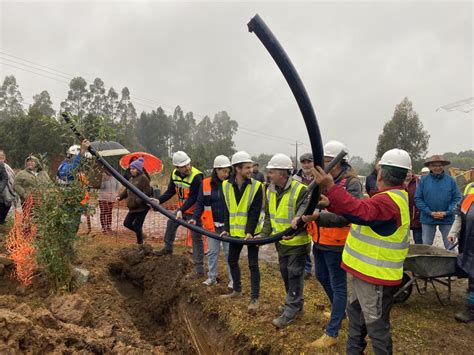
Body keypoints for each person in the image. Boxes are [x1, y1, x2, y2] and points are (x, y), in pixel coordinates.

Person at [312, 148, 412, 355]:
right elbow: (359, 212)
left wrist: (330, 187)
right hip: (365, 275)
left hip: (375, 278)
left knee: (377, 329)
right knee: (356, 319)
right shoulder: (389, 198)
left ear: (381, 174)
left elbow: (361, 212)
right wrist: (331, 204)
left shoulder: (387, 202)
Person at [304, 140, 363, 349]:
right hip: (319, 239)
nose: (321, 165)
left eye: (326, 161)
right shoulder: (321, 181)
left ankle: (332, 332)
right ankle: (340, 311)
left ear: (337, 162)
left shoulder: (351, 183)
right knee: (321, 276)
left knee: (339, 286)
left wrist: (317, 217)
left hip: (337, 241)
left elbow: (348, 216)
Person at [258, 154, 309, 328]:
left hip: (297, 243)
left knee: (294, 274)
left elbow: (306, 216)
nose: (268, 175)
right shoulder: (270, 189)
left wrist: (297, 228)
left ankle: (291, 310)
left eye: (271, 172)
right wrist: (263, 236)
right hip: (281, 243)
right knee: (286, 274)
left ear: (282, 173)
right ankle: (295, 303)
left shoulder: (301, 190)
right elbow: (269, 218)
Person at [220, 151, 263, 313]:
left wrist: (250, 232)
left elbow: (255, 211)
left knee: (253, 265)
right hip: (234, 233)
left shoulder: (257, 186)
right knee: (232, 261)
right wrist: (226, 228)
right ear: (237, 169)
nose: (250, 170)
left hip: (251, 234)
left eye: (251, 167)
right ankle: (237, 290)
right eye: (247, 168)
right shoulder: (225, 185)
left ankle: (254, 298)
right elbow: (227, 209)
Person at [154, 151, 205, 278]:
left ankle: (199, 269)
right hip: (182, 210)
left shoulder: (197, 176)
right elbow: (171, 191)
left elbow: (193, 197)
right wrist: (159, 200)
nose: (187, 167)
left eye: (188, 164)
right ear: (177, 167)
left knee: (196, 238)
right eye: (184, 166)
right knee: (171, 223)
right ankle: (167, 249)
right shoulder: (174, 174)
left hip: (194, 213)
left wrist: (181, 210)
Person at [190, 155, 233, 287]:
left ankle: (233, 280)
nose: (226, 174)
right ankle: (212, 277)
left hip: (227, 226)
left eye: (228, 171)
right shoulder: (206, 183)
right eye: (223, 171)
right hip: (212, 226)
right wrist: (194, 217)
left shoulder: (231, 184)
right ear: (216, 170)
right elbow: (200, 203)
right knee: (212, 253)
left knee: (229, 253)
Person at [414, 155, 461, 249]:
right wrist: (430, 212)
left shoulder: (451, 181)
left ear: (443, 166)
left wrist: (447, 212)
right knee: (426, 246)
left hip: (447, 218)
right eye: (434, 165)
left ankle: (451, 263)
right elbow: (418, 198)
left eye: (440, 165)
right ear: (430, 167)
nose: (437, 167)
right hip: (427, 218)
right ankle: (426, 263)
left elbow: (457, 198)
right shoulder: (423, 181)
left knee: (450, 246)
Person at [448, 182, 474, 323]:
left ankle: (471, 307)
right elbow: (460, 214)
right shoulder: (471, 188)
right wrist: (453, 231)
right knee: (472, 272)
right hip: (469, 241)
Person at [116, 158, 152, 244]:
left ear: (138, 169)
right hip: (133, 207)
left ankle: (140, 243)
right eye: (131, 168)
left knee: (137, 226)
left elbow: (148, 192)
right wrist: (120, 197)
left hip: (142, 208)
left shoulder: (144, 178)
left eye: (133, 168)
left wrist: (138, 201)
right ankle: (142, 235)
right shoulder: (131, 179)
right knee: (127, 223)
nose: (131, 170)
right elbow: (127, 190)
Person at [293, 152, 315, 279]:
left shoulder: (320, 177)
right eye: (304, 162)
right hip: (300, 212)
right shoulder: (295, 178)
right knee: (302, 237)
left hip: (316, 212)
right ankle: (306, 268)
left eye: (309, 162)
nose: (306, 165)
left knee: (315, 241)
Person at [0, 150, 20, 225]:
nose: (1, 157)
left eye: (2, 155)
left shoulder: (7, 167)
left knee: (6, 206)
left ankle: (2, 221)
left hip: (9, 192)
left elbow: (12, 178)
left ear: (4, 157)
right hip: (2, 192)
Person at [405, 170, 422, 244]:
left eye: (408, 172)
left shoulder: (418, 182)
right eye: (405, 172)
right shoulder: (398, 183)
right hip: (404, 216)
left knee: (418, 241)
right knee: (403, 241)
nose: (407, 174)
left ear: (412, 172)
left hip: (416, 216)